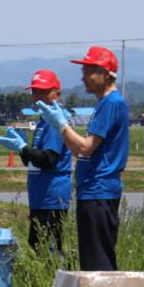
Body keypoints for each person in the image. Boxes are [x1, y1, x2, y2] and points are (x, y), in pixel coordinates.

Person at [34, 46, 129, 271]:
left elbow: (86, 148)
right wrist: (62, 130)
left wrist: (62, 125)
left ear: (105, 73)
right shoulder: (104, 103)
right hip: (91, 190)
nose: (83, 77)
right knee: (90, 260)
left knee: (98, 263)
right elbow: (79, 150)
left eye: (88, 71)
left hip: (100, 189)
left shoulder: (111, 103)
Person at [0, 69, 71, 251]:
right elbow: (33, 162)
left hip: (52, 198)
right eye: (34, 92)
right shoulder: (42, 122)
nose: (37, 97)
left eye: (43, 92)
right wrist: (22, 148)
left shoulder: (54, 123)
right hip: (39, 197)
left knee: (48, 251)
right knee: (37, 248)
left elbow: (48, 160)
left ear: (56, 93)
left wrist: (23, 148)